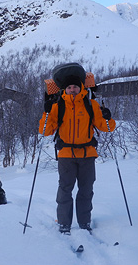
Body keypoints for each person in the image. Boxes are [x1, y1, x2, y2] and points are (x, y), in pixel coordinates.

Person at [39, 74, 116, 234]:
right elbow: (45, 131)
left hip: (87, 154)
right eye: (69, 87)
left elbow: (106, 127)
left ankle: (84, 223)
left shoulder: (91, 104)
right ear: (64, 90)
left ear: (81, 88)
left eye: (75, 87)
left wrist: (108, 118)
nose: (72, 90)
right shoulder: (57, 106)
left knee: (86, 190)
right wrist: (46, 113)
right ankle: (64, 224)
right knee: (65, 190)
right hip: (66, 154)